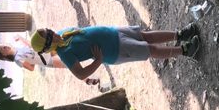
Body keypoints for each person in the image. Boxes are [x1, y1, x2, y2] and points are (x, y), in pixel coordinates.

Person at [30, 23, 202, 81]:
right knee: (149, 49)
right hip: (115, 50)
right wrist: (98, 61)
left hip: (114, 33)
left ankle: (180, 35)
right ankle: (186, 50)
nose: (53, 33)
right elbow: (80, 74)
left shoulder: (62, 35)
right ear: (48, 46)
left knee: (146, 36)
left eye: (49, 31)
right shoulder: (64, 54)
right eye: (49, 36)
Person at [0, 36, 101, 85]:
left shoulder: (17, 49)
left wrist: (21, 39)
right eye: (3, 49)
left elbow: (31, 46)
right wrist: (34, 61)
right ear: (4, 55)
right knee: (69, 65)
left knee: (69, 54)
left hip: (47, 51)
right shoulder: (17, 60)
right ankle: (87, 79)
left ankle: (91, 57)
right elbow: (31, 68)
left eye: (3, 46)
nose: (5, 47)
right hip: (48, 60)